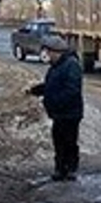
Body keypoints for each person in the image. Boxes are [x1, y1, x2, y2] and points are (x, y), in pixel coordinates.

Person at [26, 34, 84, 181]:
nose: (46, 55)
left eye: (49, 51)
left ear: (57, 52)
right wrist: (36, 90)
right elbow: (51, 86)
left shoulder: (71, 65)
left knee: (69, 141)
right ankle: (60, 169)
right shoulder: (55, 66)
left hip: (70, 113)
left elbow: (72, 90)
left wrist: (55, 102)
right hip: (59, 113)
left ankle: (70, 169)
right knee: (58, 141)